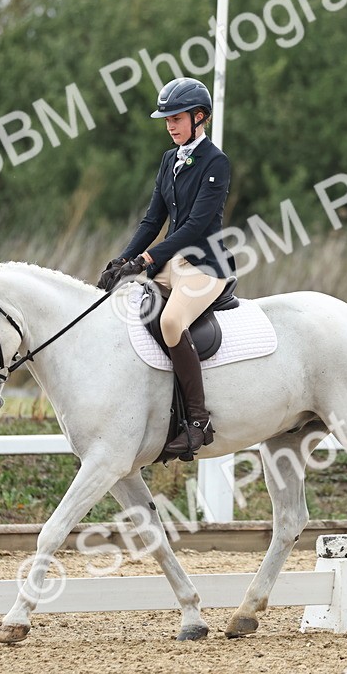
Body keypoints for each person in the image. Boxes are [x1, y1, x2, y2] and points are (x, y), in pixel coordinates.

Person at [97, 76, 234, 458]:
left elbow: (195, 227)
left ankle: (197, 421)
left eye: (177, 118)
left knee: (172, 322)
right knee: (125, 309)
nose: (170, 125)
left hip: (206, 266)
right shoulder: (168, 159)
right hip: (171, 263)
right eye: (166, 119)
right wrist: (124, 259)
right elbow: (152, 219)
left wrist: (146, 260)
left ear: (199, 116)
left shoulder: (216, 163)